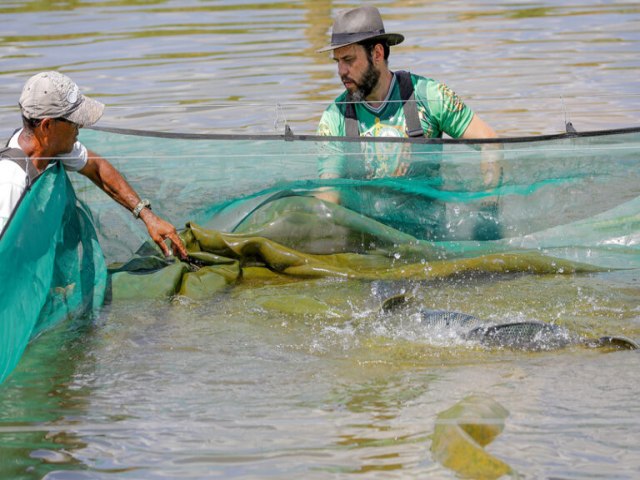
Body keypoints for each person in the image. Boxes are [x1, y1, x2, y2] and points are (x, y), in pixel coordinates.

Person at [0, 71, 187, 258]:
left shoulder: (51, 146)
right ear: (47, 126)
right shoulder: (10, 184)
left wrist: (148, 216)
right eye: (74, 121)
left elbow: (97, 168)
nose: (80, 127)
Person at [315, 5, 500, 186]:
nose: (341, 71)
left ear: (377, 54)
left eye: (348, 60)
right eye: (337, 61)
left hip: (426, 215)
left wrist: (488, 202)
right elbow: (328, 189)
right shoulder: (334, 117)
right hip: (365, 217)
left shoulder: (430, 96)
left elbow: (489, 142)